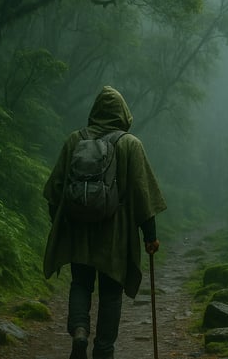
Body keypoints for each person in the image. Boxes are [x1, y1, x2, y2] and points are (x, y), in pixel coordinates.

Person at [43, 85, 167, 359]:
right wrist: (150, 236)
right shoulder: (130, 144)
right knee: (111, 292)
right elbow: (142, 193)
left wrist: (62, 224)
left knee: (81, 283)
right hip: (116, 234)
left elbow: (55, 191)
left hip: (79, 230)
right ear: (123, 113)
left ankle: (79, 331)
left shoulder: (75, 140)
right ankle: (103, 350)